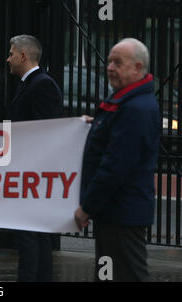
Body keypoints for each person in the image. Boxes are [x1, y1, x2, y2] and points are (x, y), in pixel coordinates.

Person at [74, 38, 160, 282]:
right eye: (110, 61)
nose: (110, 67)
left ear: (137, 67)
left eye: (117, 62)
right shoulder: (126, 101)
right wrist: (98, 123)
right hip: (115, 212)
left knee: (126, 274)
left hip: (122, 213)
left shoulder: (135, 108)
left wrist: (87, 207)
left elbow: (115, 166)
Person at [6, 34, 63, 282]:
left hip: (34, 173)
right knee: (33, 234)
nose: (7, 59)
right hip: (27, 171)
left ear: (23, 55)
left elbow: (45, 131)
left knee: (31, 236)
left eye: (10, 53)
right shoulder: (29, 84)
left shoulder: (43, 84)